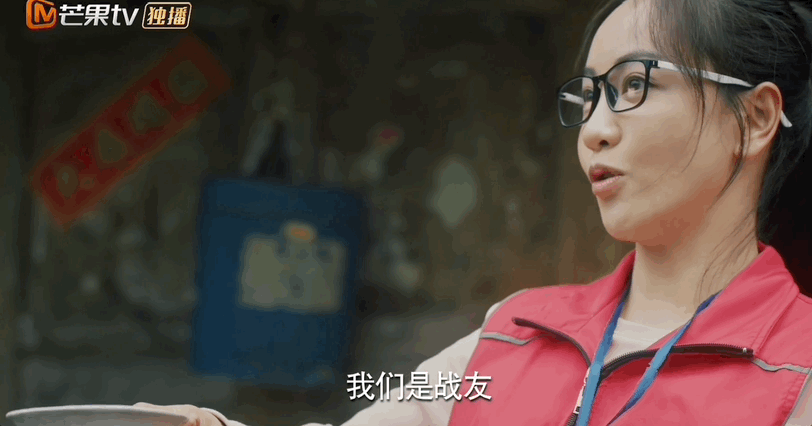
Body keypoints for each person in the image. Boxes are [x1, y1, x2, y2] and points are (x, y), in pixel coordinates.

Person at [136, 0, 812, 424]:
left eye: (634, 85)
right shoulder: (515, 330)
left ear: (755, 118)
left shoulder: (800, 364)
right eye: (588, 97)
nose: (594, 131)